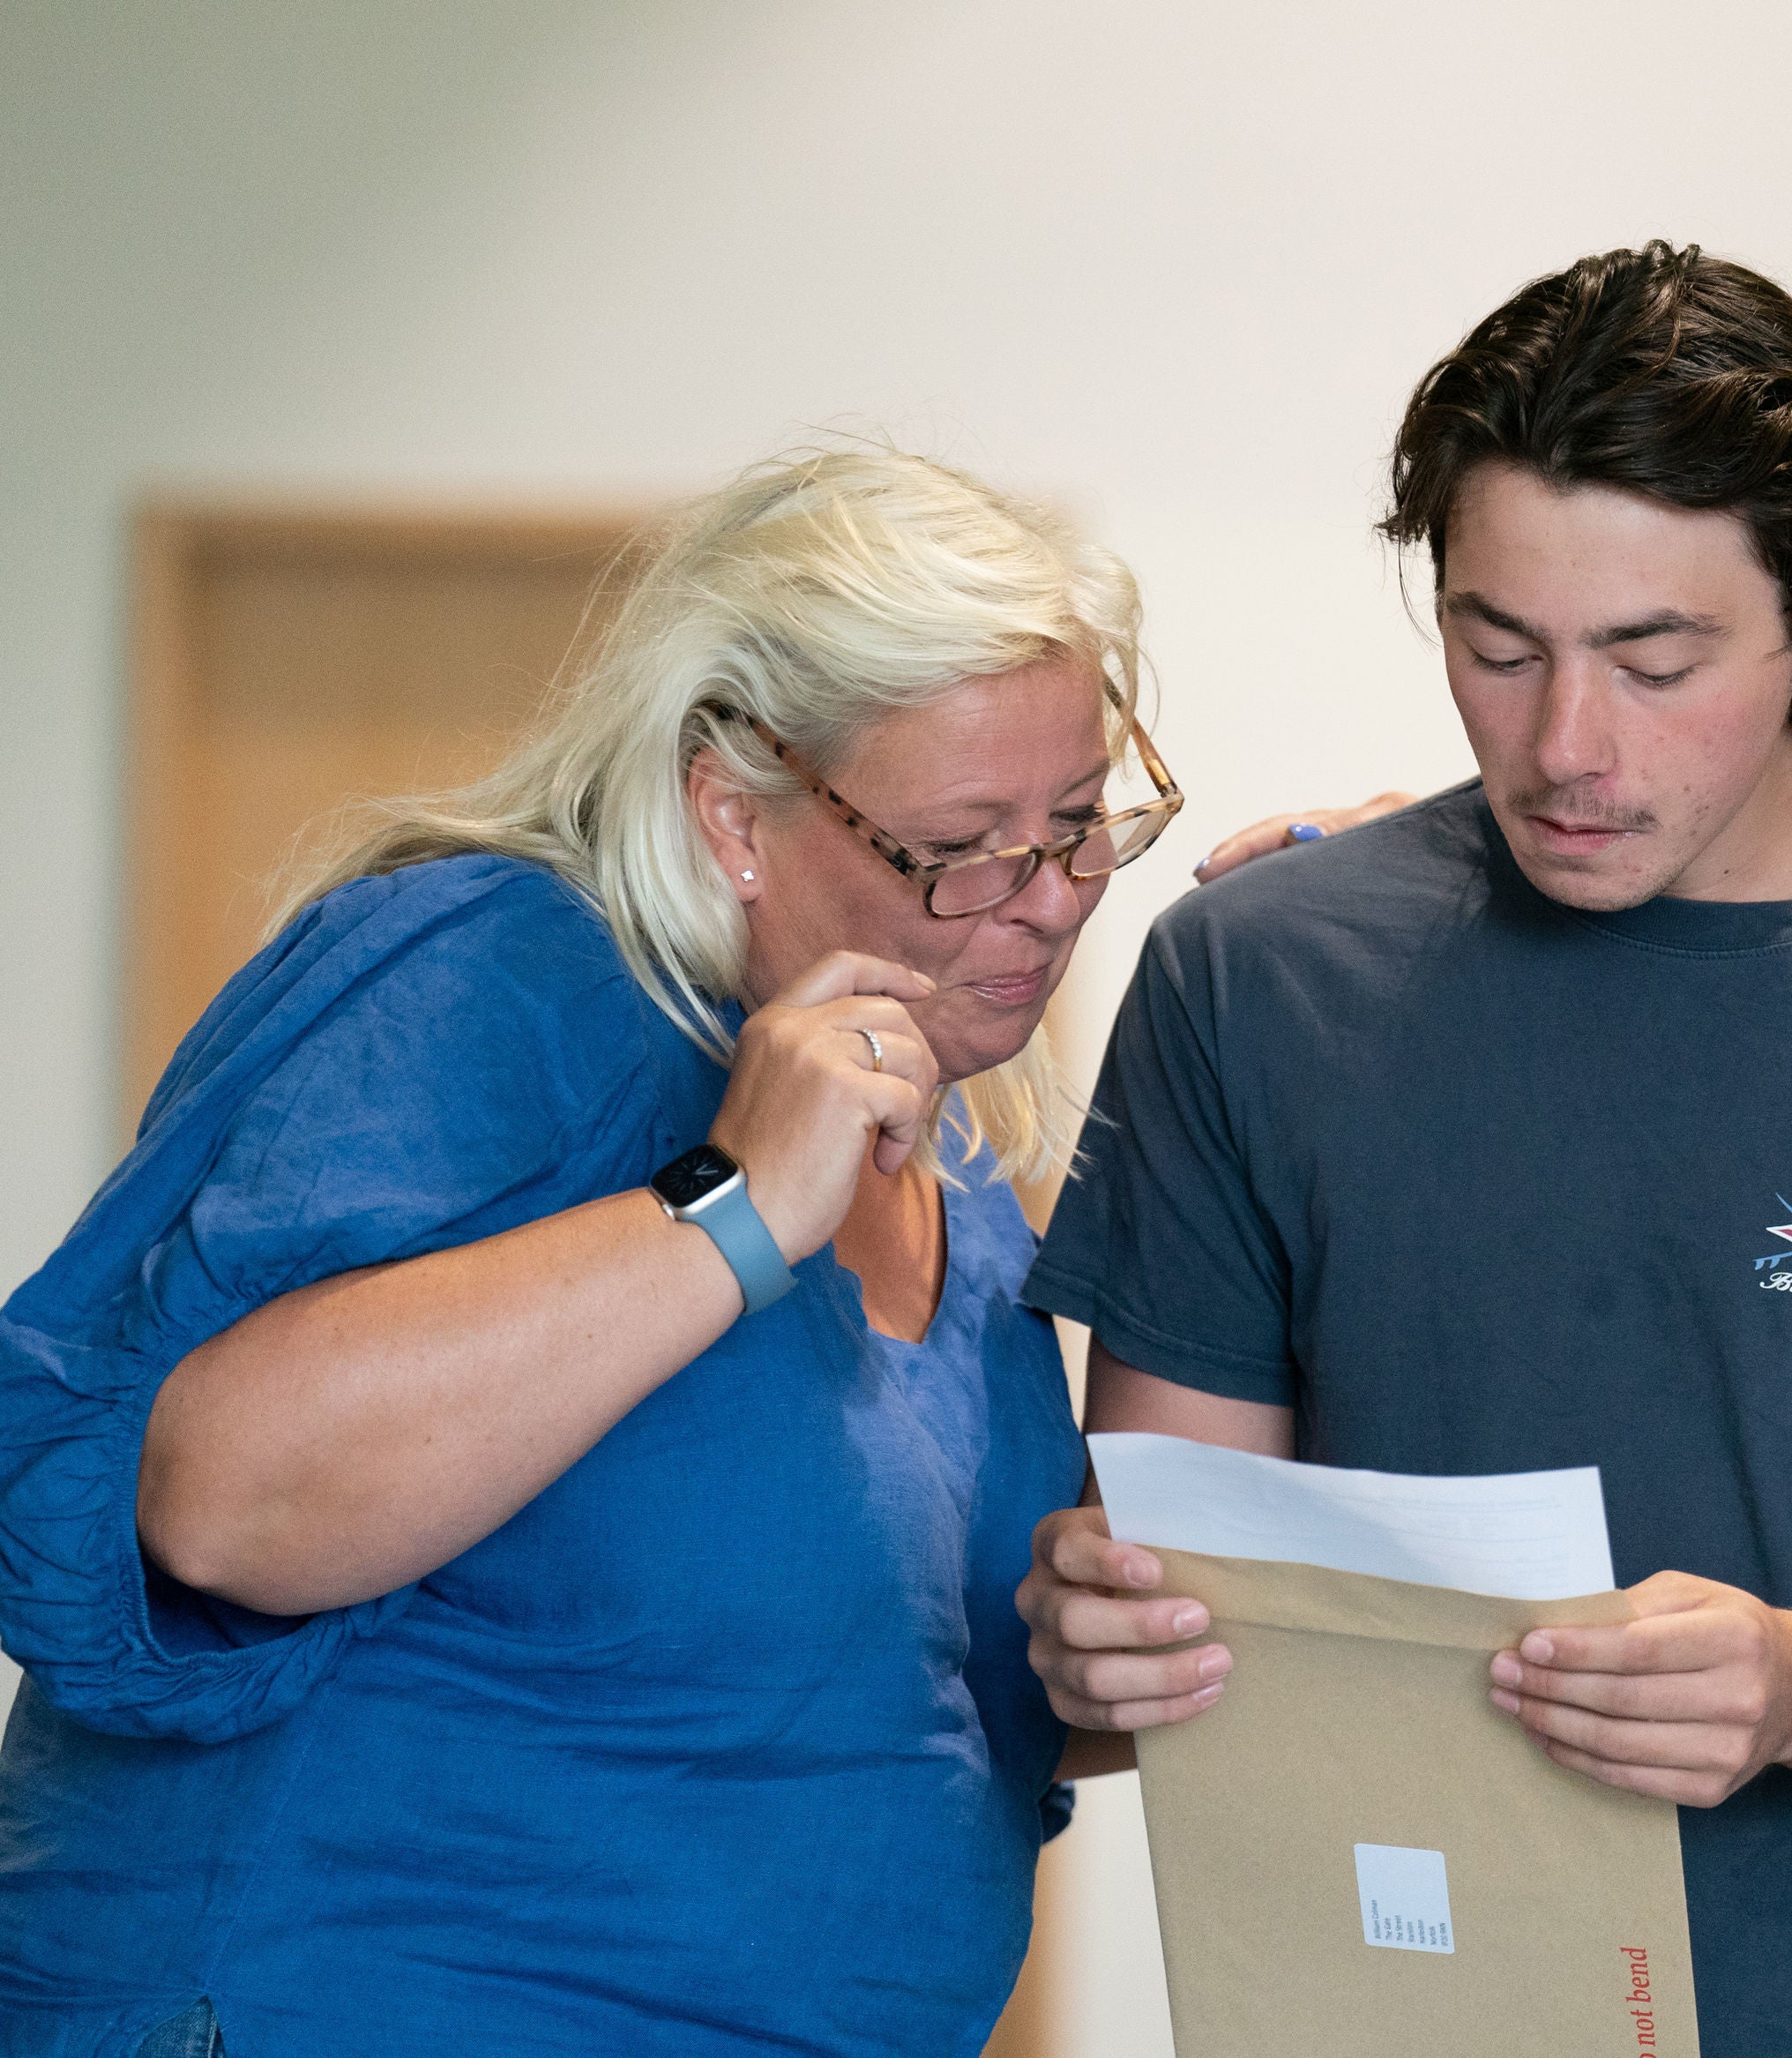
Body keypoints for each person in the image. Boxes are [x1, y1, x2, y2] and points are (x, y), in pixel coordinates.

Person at [1016, 241, 1792, 2058]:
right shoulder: (1264, 979)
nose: (1563, 746)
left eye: (1652, 659)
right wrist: (1094, 1652)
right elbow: (1178, 1584)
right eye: (1494, 648)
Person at [0, 446, 1183, 2055]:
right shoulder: (503, 975)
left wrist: (1114, 1663)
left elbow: (922, 1706)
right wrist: (734, 1206)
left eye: (1079, 823)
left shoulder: (963, 1174)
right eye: (964, 843)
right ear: (734, 812)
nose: (1048, 903)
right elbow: (220, 1504)